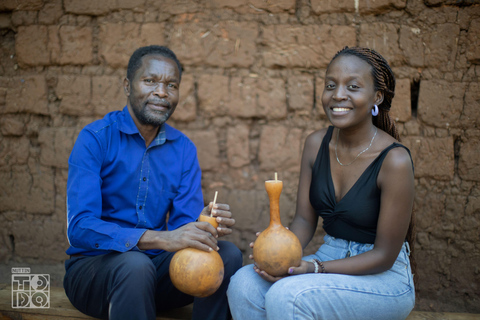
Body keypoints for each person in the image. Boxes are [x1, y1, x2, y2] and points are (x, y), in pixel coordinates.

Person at [227, 47, 416, 320]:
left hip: (383, 277)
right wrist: (281, 246)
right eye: (330, 85)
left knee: (289, 296)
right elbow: (304, 221)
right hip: (329, 254)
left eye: (352, 86)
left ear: (377, 97)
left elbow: (384, 255)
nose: (338, 94)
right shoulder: (316, 144)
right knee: (244, 284)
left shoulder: (395, 160)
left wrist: (315, 268)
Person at [64, 45, 242, 320]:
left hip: (157, 274)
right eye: (150, 81)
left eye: (172, 85)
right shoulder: (96, 139)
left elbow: (184, 232)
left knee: (226, 254)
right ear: (127, 85)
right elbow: (80, 227)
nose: (162, 92)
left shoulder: (183, 149)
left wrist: (204, 225)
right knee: (134, 266)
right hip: (95, 274)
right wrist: (160, 238)